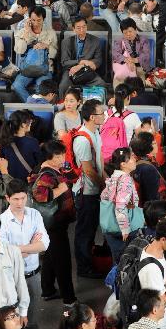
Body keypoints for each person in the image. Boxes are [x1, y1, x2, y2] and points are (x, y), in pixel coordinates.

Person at [31, 140, 76, 307]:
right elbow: (40, 195)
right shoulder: (46, 174)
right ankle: (69, 300)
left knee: (51, 256)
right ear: (49, 157)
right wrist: (61, 190)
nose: (62, 158)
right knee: (62, 261)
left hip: (55, 222)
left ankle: (48, 290)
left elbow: (72, 177)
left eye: (63, 154)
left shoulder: (56, 169)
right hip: (54, 223)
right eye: (58, 155)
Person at [0, 179, 49, 325]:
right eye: (15, 199)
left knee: (33, 320)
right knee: (13, 321)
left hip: (34, 275)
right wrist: (32, 246)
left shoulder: (35, 214)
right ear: (7, 198)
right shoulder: (2, 221)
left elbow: (44, 244)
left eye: (23, 198)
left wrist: (20, 250)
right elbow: (6, 253)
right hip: (12, 277)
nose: (20, 203)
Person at [72, 99, 106, 278]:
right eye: (101, 113)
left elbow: (99, 161)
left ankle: (89, 261)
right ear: (92, 117)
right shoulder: (83, 140)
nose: (104, 115)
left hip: (94, 190)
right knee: (84, 231)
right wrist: (102, 184)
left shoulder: (95, 132)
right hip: (86, 193)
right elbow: (87, 169)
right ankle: (84, 268)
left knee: (91, 229)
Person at [58, 16, 106, 97]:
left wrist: (81, 65)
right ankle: (64, 106)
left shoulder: (96, 41)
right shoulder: (66, 42)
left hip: (87, 70)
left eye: (84, 27)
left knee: (101, 84)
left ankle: (94, 105)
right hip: (71, 71)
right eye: (78, 28)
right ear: (73, 29)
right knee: (63, 86)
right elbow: (64, 62)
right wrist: (79, 62)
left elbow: (98, 60)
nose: (82, 30)